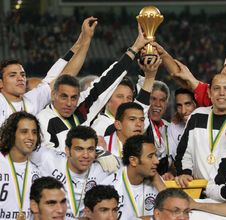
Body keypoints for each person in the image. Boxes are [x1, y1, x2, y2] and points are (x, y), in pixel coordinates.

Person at [38, 22, 153, 152]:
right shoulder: (43, 120)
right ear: (53, 95)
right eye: (64, 97)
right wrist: (96, 150)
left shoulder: (82, 106)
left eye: (74, 97)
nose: (69, 103)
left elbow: (108, 79)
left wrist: (135, 47)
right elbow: (48, 158)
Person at [0, 16, 93, 126]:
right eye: (12, 75)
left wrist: (85, 39)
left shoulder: (33, 99)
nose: (20, 78)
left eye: (22, 74)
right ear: (1, 82)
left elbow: (65, 76)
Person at [30, 126, 113, 220]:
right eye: (79, 149)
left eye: (90, 149)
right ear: (67, 151)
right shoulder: (49, 159)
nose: (85, 155)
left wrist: (106, 154)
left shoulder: (105, 166)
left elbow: (131, 161)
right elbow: (20, 145)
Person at [91, 51, 161, 138]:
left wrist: (145, 72)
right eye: (120, 97)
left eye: (129, 98)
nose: (125, 102)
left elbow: (140, 107)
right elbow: (138, 110)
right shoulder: (100, 126)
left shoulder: (138, 122)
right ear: (107, 101)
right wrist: (149, 77)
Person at [102, 135, 166, 219]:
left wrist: (160, 184)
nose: (157, 161)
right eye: (150, 156)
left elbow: (175, 210)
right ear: (133, 161)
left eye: (156, 156)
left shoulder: (156, 180)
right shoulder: (109, 186)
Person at [0, 112, 41, 219]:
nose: (31, 137)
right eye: (24, 132)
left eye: (34, 132)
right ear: (12, 134)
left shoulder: (38, 172)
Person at [146, 81, 172, 176]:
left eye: (162, 100)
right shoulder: (139, 127)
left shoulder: (170, 128)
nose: (158, 104)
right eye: (153, 99)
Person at [168, 88, 197, 160]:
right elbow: (175, 160)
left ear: (196, 104)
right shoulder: (173, 127)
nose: (183, 111)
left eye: (187, 104)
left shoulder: (208, 126)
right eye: (179, 106)